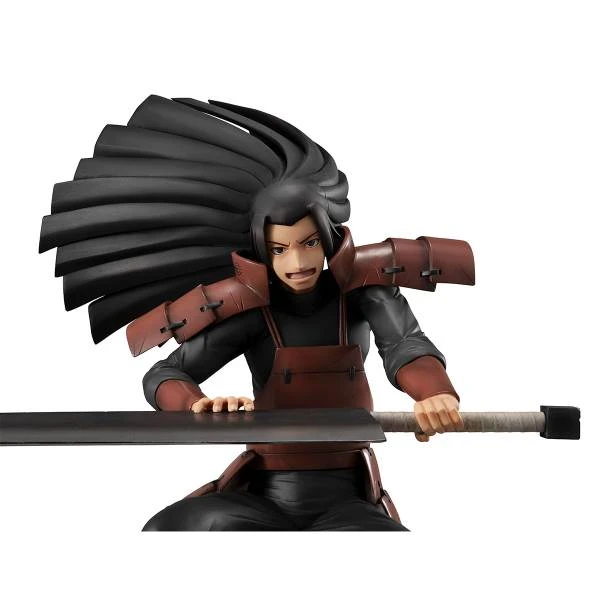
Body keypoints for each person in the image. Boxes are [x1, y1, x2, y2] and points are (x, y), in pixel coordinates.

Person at [39, 95, 473, 531]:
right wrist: (197, 404)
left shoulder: (364, 293)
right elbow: (164, 374)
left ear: (328, 238)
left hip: (347, 499)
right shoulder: (255, 309)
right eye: (280, 249)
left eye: (309, 243)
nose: (297, 262)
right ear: (263, 251)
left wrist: (434, 393)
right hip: (265, 497)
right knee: (174, 530)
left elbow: (405, 345)